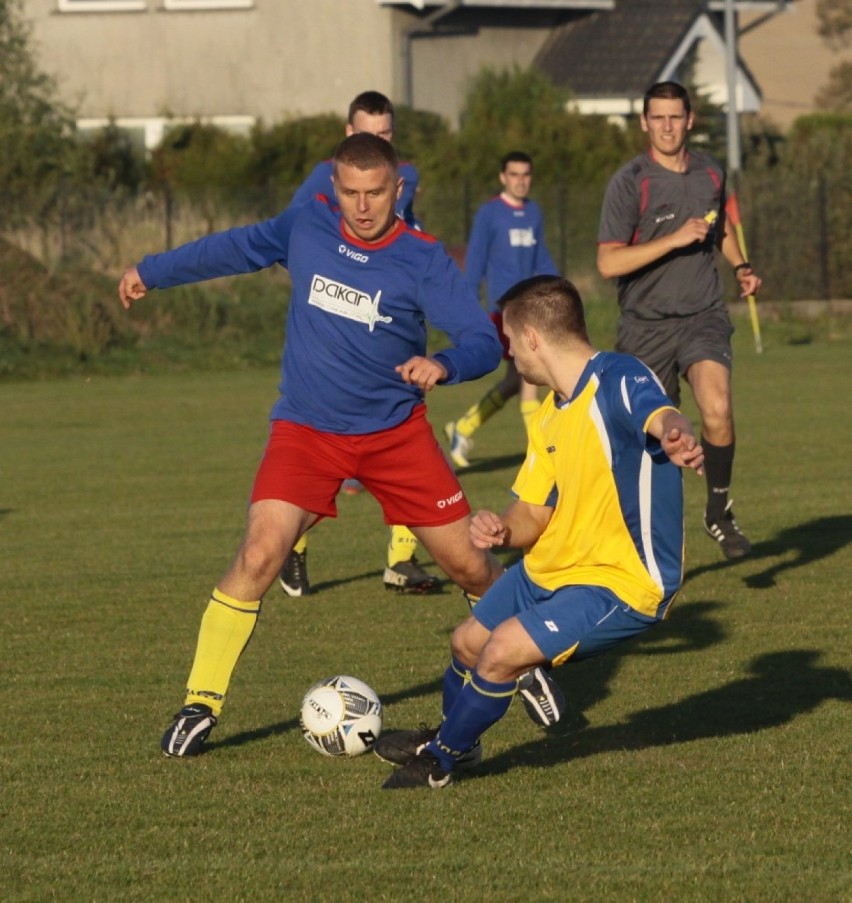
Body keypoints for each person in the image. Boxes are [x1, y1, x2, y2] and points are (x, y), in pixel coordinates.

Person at [118, 134, 558, 757]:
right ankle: (200, 704)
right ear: (334, 186)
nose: (361, 206)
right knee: (258, 555)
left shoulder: (423, 258)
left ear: (397, 188)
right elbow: (235, 248)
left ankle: (527, 649)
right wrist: (151, 270)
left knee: (467, 565)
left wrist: (446, 364)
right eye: (349, 192)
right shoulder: (307, 225)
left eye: (375, 192)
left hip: (395, 437)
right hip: (305, 431)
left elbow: (483, 340)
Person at [374, 275, 706, 789]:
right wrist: (500, 529)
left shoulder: (618, 375)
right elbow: (532, 512)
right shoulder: (551, 413)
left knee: (503, 650)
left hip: (620, 580)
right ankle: (457, 740)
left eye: (508, 340)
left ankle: (441, 758)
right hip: (552, 565)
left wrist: (675, 433)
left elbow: (659, 413)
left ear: (531, 337)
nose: (509, 353)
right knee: (466, 642)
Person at [596, 81, 762, 560]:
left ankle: (718, 511)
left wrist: (741, 266)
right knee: (657, 442)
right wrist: (671, 239)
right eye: (658, 118)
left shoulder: (711, 171)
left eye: (676, 117)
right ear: (645, 122)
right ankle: (644, 540)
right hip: (645, 327)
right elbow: (608, 263)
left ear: (690, 120)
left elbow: (719, 228)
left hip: (702, 314)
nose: (667, 127)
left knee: (717, 407)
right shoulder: (630, 181)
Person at [281, 89, 437, 597]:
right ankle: (293, 547)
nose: (377, 140)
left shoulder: (404, 175)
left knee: (410, 451)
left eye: (386, 132)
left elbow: (402, 234)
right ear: (349, 134)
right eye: (368, 131)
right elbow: (292, 237)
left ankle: (400, 561)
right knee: (323, 470)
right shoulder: (320, 181)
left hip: (391, 331)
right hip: (339, 340)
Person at [444, 151, 559, 469]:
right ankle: (541, 460)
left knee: (515, 381)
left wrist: (563, 290)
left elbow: (541, 260)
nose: (521, 180)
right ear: (502, 177)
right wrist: (468, 312)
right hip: (504, 314)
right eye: (514, 174)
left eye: (526, 174)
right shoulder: (489, 214)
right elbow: (475, 263)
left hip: (531, 310)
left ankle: (462, 428)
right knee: (531, 383)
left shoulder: (534, 213)